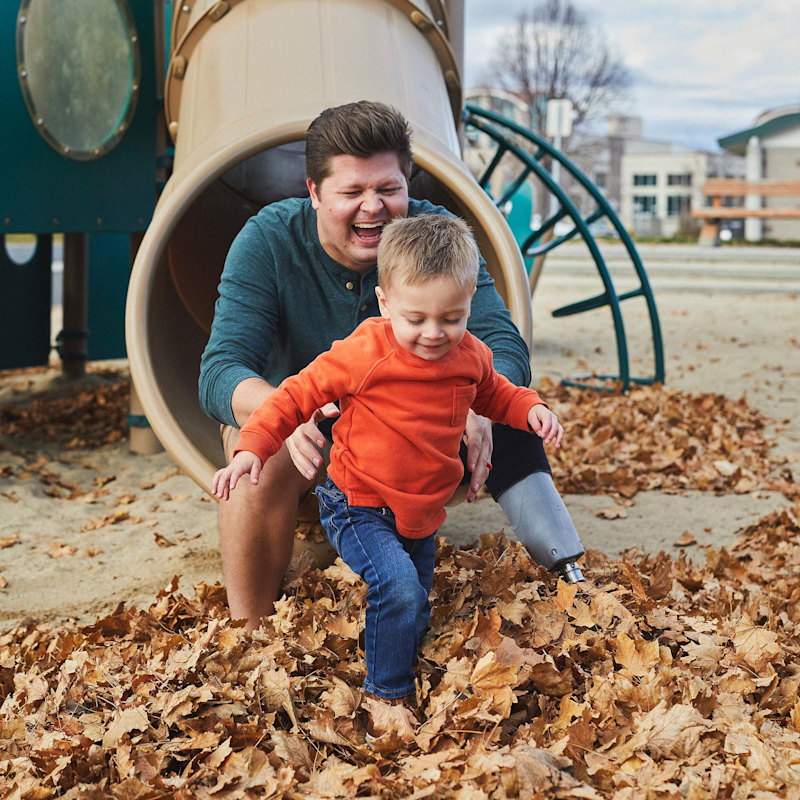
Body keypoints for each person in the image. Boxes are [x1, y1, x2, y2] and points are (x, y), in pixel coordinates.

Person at [199, 100, 585, 633]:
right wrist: (282, 411)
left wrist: (477, 404)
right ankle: (250, 630)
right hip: (314, 422)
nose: (372, 208)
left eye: (387, 189)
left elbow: (500, 338)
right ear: (313, 192)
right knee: (252, 444)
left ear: (408, 183)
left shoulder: (434, 234)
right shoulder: (269, 240)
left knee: (512, 415)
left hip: (410, 424)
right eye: (351, 192)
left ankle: (567, 569)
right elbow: (221, 366)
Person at [212, 214, 566, 738]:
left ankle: (396, 654)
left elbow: (496, 394)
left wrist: (530, 409)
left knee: (414, 603)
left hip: (420, 509)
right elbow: (292, 397)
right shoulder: (362, 354)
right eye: (416, 318)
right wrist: (251, 450)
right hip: (357, 501)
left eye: (452, 317)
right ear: (384, 304)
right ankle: (386, 695)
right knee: (398, 588)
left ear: (469, 302)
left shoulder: (469, 355)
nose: (433, 334)